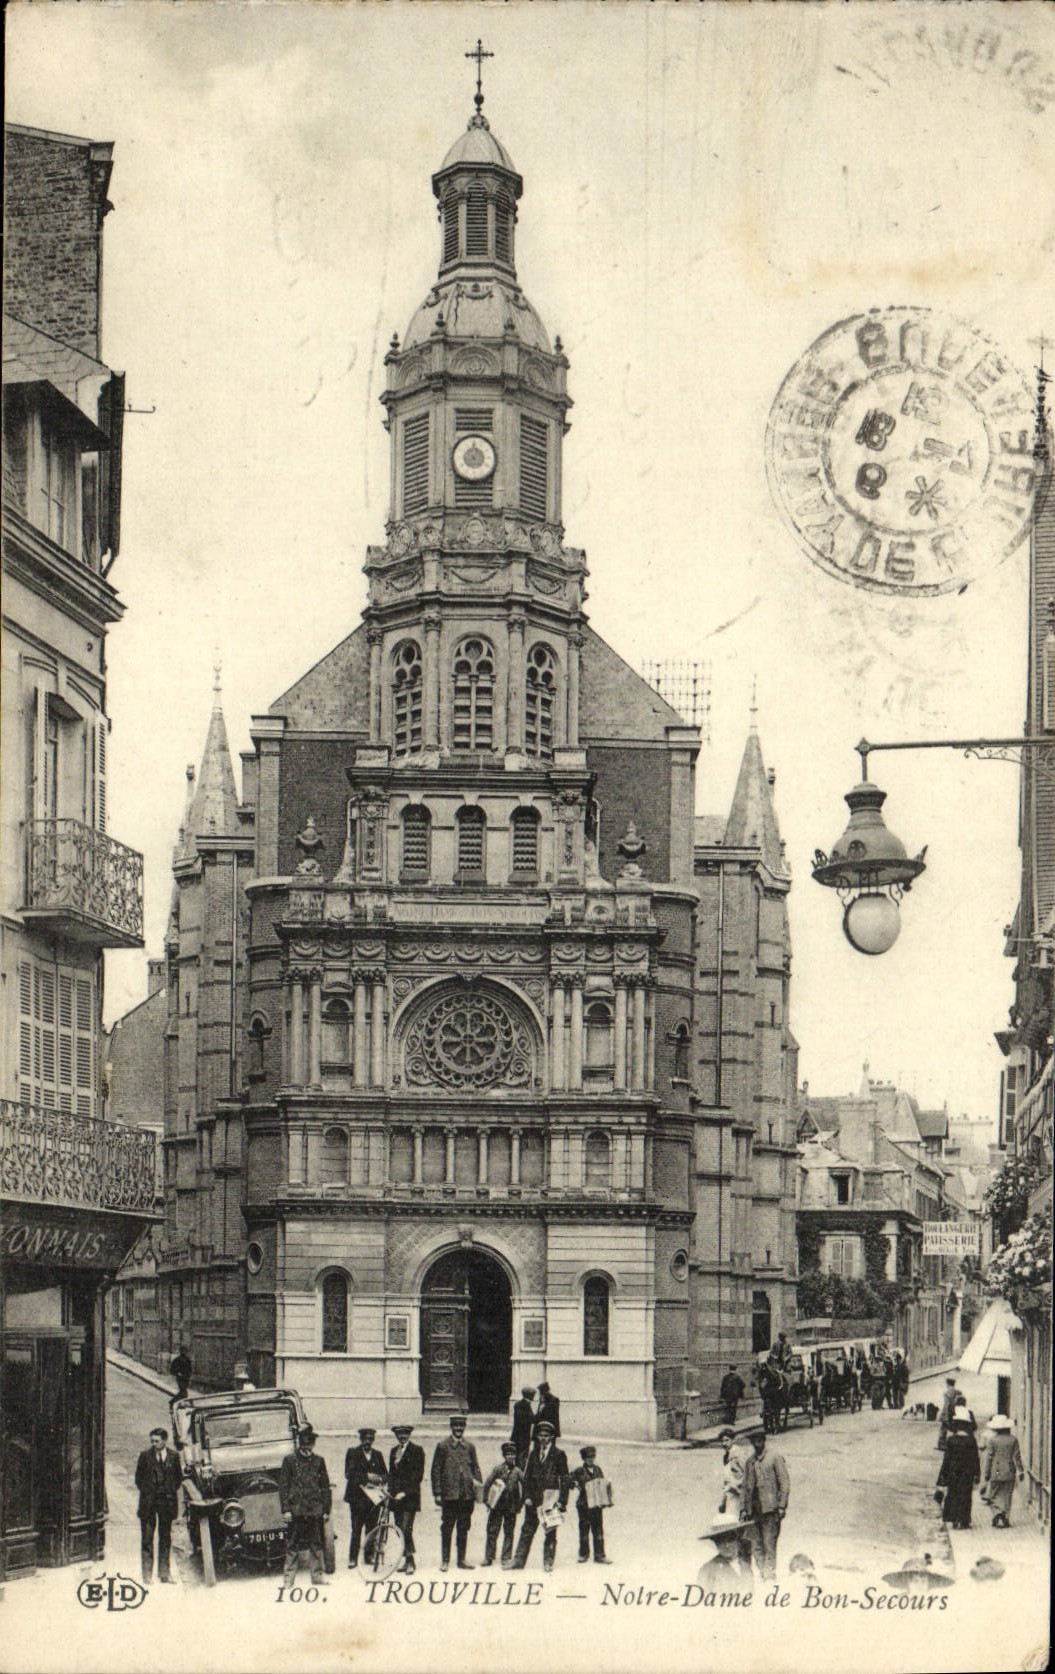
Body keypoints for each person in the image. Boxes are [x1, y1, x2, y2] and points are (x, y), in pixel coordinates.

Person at [511, 1419, 569, 1572]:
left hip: (551, 1501)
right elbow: (527, 1478)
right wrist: (527, 1497)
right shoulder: (533, 1453)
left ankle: (548, 1561)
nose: (543, 1438)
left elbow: (564, 1480)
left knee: (550, 1532)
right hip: (534, 1500)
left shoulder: (559, 1455)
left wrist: (562, 1502)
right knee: (527, 1530)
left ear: (551, 1437)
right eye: (540, 1435)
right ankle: (518, 1561)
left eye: (546, 1435)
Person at [279, 1424, 331, 1588]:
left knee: (316, 1544)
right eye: (304, 1443)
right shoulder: (289, 1461)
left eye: (310, 1443)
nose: (307, 1446)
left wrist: (326, 1510)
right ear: (299, 1443)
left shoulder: (319, 1461)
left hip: (315, 1510)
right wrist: (286, 1509)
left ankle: (317, 1578)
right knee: (292, 1545)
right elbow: (283, 1487)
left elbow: (325, 1487)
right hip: (296, 1511)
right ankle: (288, 1580)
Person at [431, 1413, 482, 1572]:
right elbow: (436, 1470)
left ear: (464, 1428)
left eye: (461, 1426)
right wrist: (438, 1493)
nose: (459, 1429)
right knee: (447, 1528)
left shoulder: (469, 1447)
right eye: (456, 1426)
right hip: (450, 1495)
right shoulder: (443, 1446)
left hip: (466, 1496)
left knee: (463, 1527)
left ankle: (461, 1559)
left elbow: (476, 1468)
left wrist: (478, 1487)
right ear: (451, 1427)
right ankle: (445, 1560)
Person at [740, 1429, 790, 1582]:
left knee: (769, 1544)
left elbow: (784, 1483)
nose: (756, 1444)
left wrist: (781, 1506)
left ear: (764, 1440)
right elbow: (745, 1487)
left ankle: (769, 1576)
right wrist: (743, 1508)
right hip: (753, 1511)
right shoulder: (750, 1462)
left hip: (770, 1510)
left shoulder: (775, 1458)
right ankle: (763, 1572)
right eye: (753, 1441)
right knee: (756, 1545)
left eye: (759, 1441)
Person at [134, 1425, 182, 1584]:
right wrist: (150, 1492)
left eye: (157, 1441)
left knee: (165, 1538)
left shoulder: (174, 1457)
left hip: (166, 1503)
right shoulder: (144, 1456)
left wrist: (167, 1490)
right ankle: (147, 1576)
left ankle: (164, 1574)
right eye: (152, 1441)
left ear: (164, 1441)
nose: (154, 1444)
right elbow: (138, 1479)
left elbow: (178, 1479)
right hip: (148, 1504)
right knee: (147, 1539)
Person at [344, 1426, 388, 1569]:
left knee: (372, 1529)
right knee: (356, 1529)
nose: (367, 1442)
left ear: (373, 1440)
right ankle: (352, 1558)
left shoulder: (378, 1455)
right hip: (357, 1499)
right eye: (364, 1439)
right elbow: (349, 1474)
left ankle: (368, 1556)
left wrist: (380, 1479)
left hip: (373, 1500)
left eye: (370, 1439)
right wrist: (368, 1477)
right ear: (360, 1439)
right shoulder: (353, 1453)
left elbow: (386, 1475)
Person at [388, 1424, 425, 1575]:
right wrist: (390, 1492)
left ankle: (411, 1561)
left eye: (405, 1434)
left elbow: (418, 1476)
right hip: (396, 1499)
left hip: (410, 1498)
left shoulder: (417, 1451)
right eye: (399, 1434)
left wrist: (405, 1492)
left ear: (409, 1435)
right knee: (399, 1531)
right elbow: (391, 1474)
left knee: (406, 1529)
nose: (402, 1437)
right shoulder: (393, 1451)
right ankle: (406, 1560)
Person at [482, 1442, 524, 1568]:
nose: (510, 1457)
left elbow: (526, 1487)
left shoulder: (518, 1471)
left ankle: (506, 1557)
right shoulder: (498, 1469)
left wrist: (520, 1504)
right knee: (492, 1531)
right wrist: (487, 1500)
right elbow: (487, 1484)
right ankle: (489, 1557)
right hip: (497, 1506)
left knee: (509, 1532)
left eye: (512, 1454)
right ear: (504, 1456)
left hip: (511, 1507)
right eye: (508, 1454)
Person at [936, 1410, 981, 1529]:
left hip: (953, 1472)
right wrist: (977, 1474)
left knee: (953, 1494)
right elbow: (975, 1458)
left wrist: (942, 1477)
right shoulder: (971, 1440)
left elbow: (946, 1459)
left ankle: (954, 1518)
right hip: (967, 1472)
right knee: (965, 1495)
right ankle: (964, 1520)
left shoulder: (951, 1440)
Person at [569, 1445, 613, 1565]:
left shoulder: (598, 1469)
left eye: (593, 1457)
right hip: (583, 1505)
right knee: (584, 1529)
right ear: (583, 1458)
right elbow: (568, 1480)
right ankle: (583, 1554)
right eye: (588, 1457)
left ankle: (600, 1556)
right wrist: (575, 1483)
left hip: (596, 1505)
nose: (591, 1459)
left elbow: (602, 1484)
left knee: (598, 1530)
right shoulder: (579, 1470)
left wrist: (606, 1498)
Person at [981, 1414, 1025, 1529]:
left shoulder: (992, 1440)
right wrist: (1021, 1471)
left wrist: (986, 1474)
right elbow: (1017, 1456)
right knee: (1007, 1494)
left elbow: (989, 1458)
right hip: (1010, 1470)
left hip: (995, 1471)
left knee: (993, 1493)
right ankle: (1005, 1514)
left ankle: (997, 1512)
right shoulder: (1013, 1440)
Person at [696, 1515, 746, 1586]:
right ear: (715, 1543)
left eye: (730, 1539)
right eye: (720, 1540)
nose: (726, 1545)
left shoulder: (749, 1564)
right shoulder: (707, 1571)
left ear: (738, 1538)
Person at [511, 1387, 537, 1462]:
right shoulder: (526, 1405)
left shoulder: (518, 1404)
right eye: (533, 1395)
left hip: (516, 1435)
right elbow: (531, 1419)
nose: (534, 1397)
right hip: (523, 1436)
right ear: (530, 1396)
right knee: (522, 1456)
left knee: (518, 1455)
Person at [937, 1376, 959, 1449]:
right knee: (955, 1428)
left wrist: (944, 1415)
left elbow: (947, 1405)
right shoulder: (957, 1392)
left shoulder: (946, 1393)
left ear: (948, 1384)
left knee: (943, 1429)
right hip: (955, 1412)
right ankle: (956, 1443)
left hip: (948, 1413)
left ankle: (942, 1444)